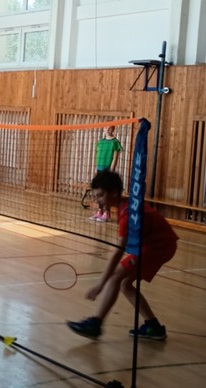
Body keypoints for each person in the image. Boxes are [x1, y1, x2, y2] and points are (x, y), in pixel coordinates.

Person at [67, 170, 177, 341]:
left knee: (115, 278)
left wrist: (101, 284)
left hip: (159, 246)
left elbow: (118, 251)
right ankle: (153, 326)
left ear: (114, 192)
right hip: (156, 244)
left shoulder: (127, 214)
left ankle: (95, 324)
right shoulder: (124, 207)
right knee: (124, 283)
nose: (97, 200)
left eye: (101, 195)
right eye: (95, 196)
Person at [90, 126, 122, 222]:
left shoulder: (115, 142)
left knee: (106, 192)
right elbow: (98, 155)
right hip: (99, 169)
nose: (107, 130)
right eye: (105, 128)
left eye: (109, 128)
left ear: (113, 129)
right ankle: (100, 211)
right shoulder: (100, 142)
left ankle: (107, 213)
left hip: (107, 169)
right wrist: (96, 167)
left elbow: (115, 157)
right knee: (99, 192)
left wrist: (111, 169)